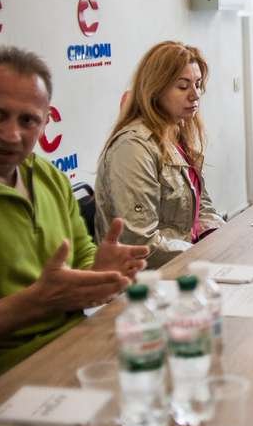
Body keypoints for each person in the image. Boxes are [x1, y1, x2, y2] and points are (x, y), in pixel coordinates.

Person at [0, 46, 148, 385]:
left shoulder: (49, 177)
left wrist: (100, 273)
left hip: (78, 344)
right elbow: (49, 296)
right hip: (6, 375)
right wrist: (38, 303)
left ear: (45, 122)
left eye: (28, 120)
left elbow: (82, 257)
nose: (12, 135)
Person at [95, 41, 224, 268]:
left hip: (185, 260)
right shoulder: (133, 147)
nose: (195, 95)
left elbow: (202, 206)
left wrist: (221, 238)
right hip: (149, 275)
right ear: (155, 90)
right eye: (183, 87)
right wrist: (202, 255)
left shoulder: (176, 132)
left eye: (197, 85)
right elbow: (140, 241)